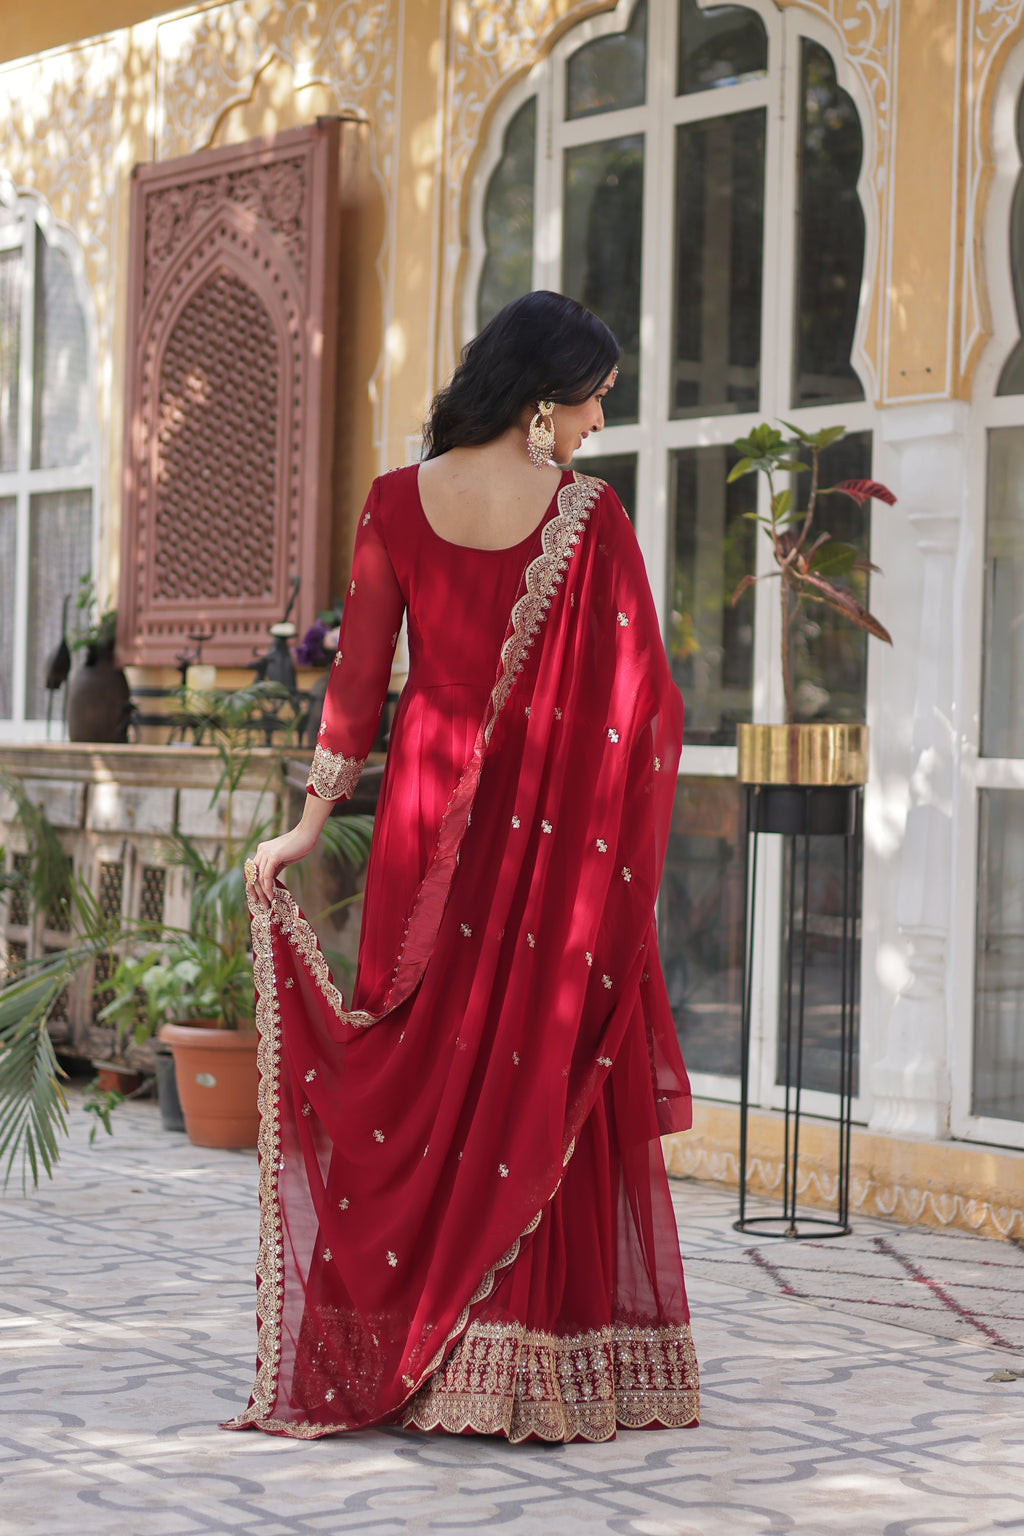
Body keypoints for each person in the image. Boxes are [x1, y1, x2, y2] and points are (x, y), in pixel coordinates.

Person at [226, 290, 699, 1443]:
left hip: (423, 815)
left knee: (426, 1069)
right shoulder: (586, 516)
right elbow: (644, 707)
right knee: (530, 1060)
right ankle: (527, 1362)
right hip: (543, 834)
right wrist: (594, 813)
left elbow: (355, 694)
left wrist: (306, 826)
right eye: (593, 400)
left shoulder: (397, 500)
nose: (597, 422)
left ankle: (403, 1337)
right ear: (543, 400)